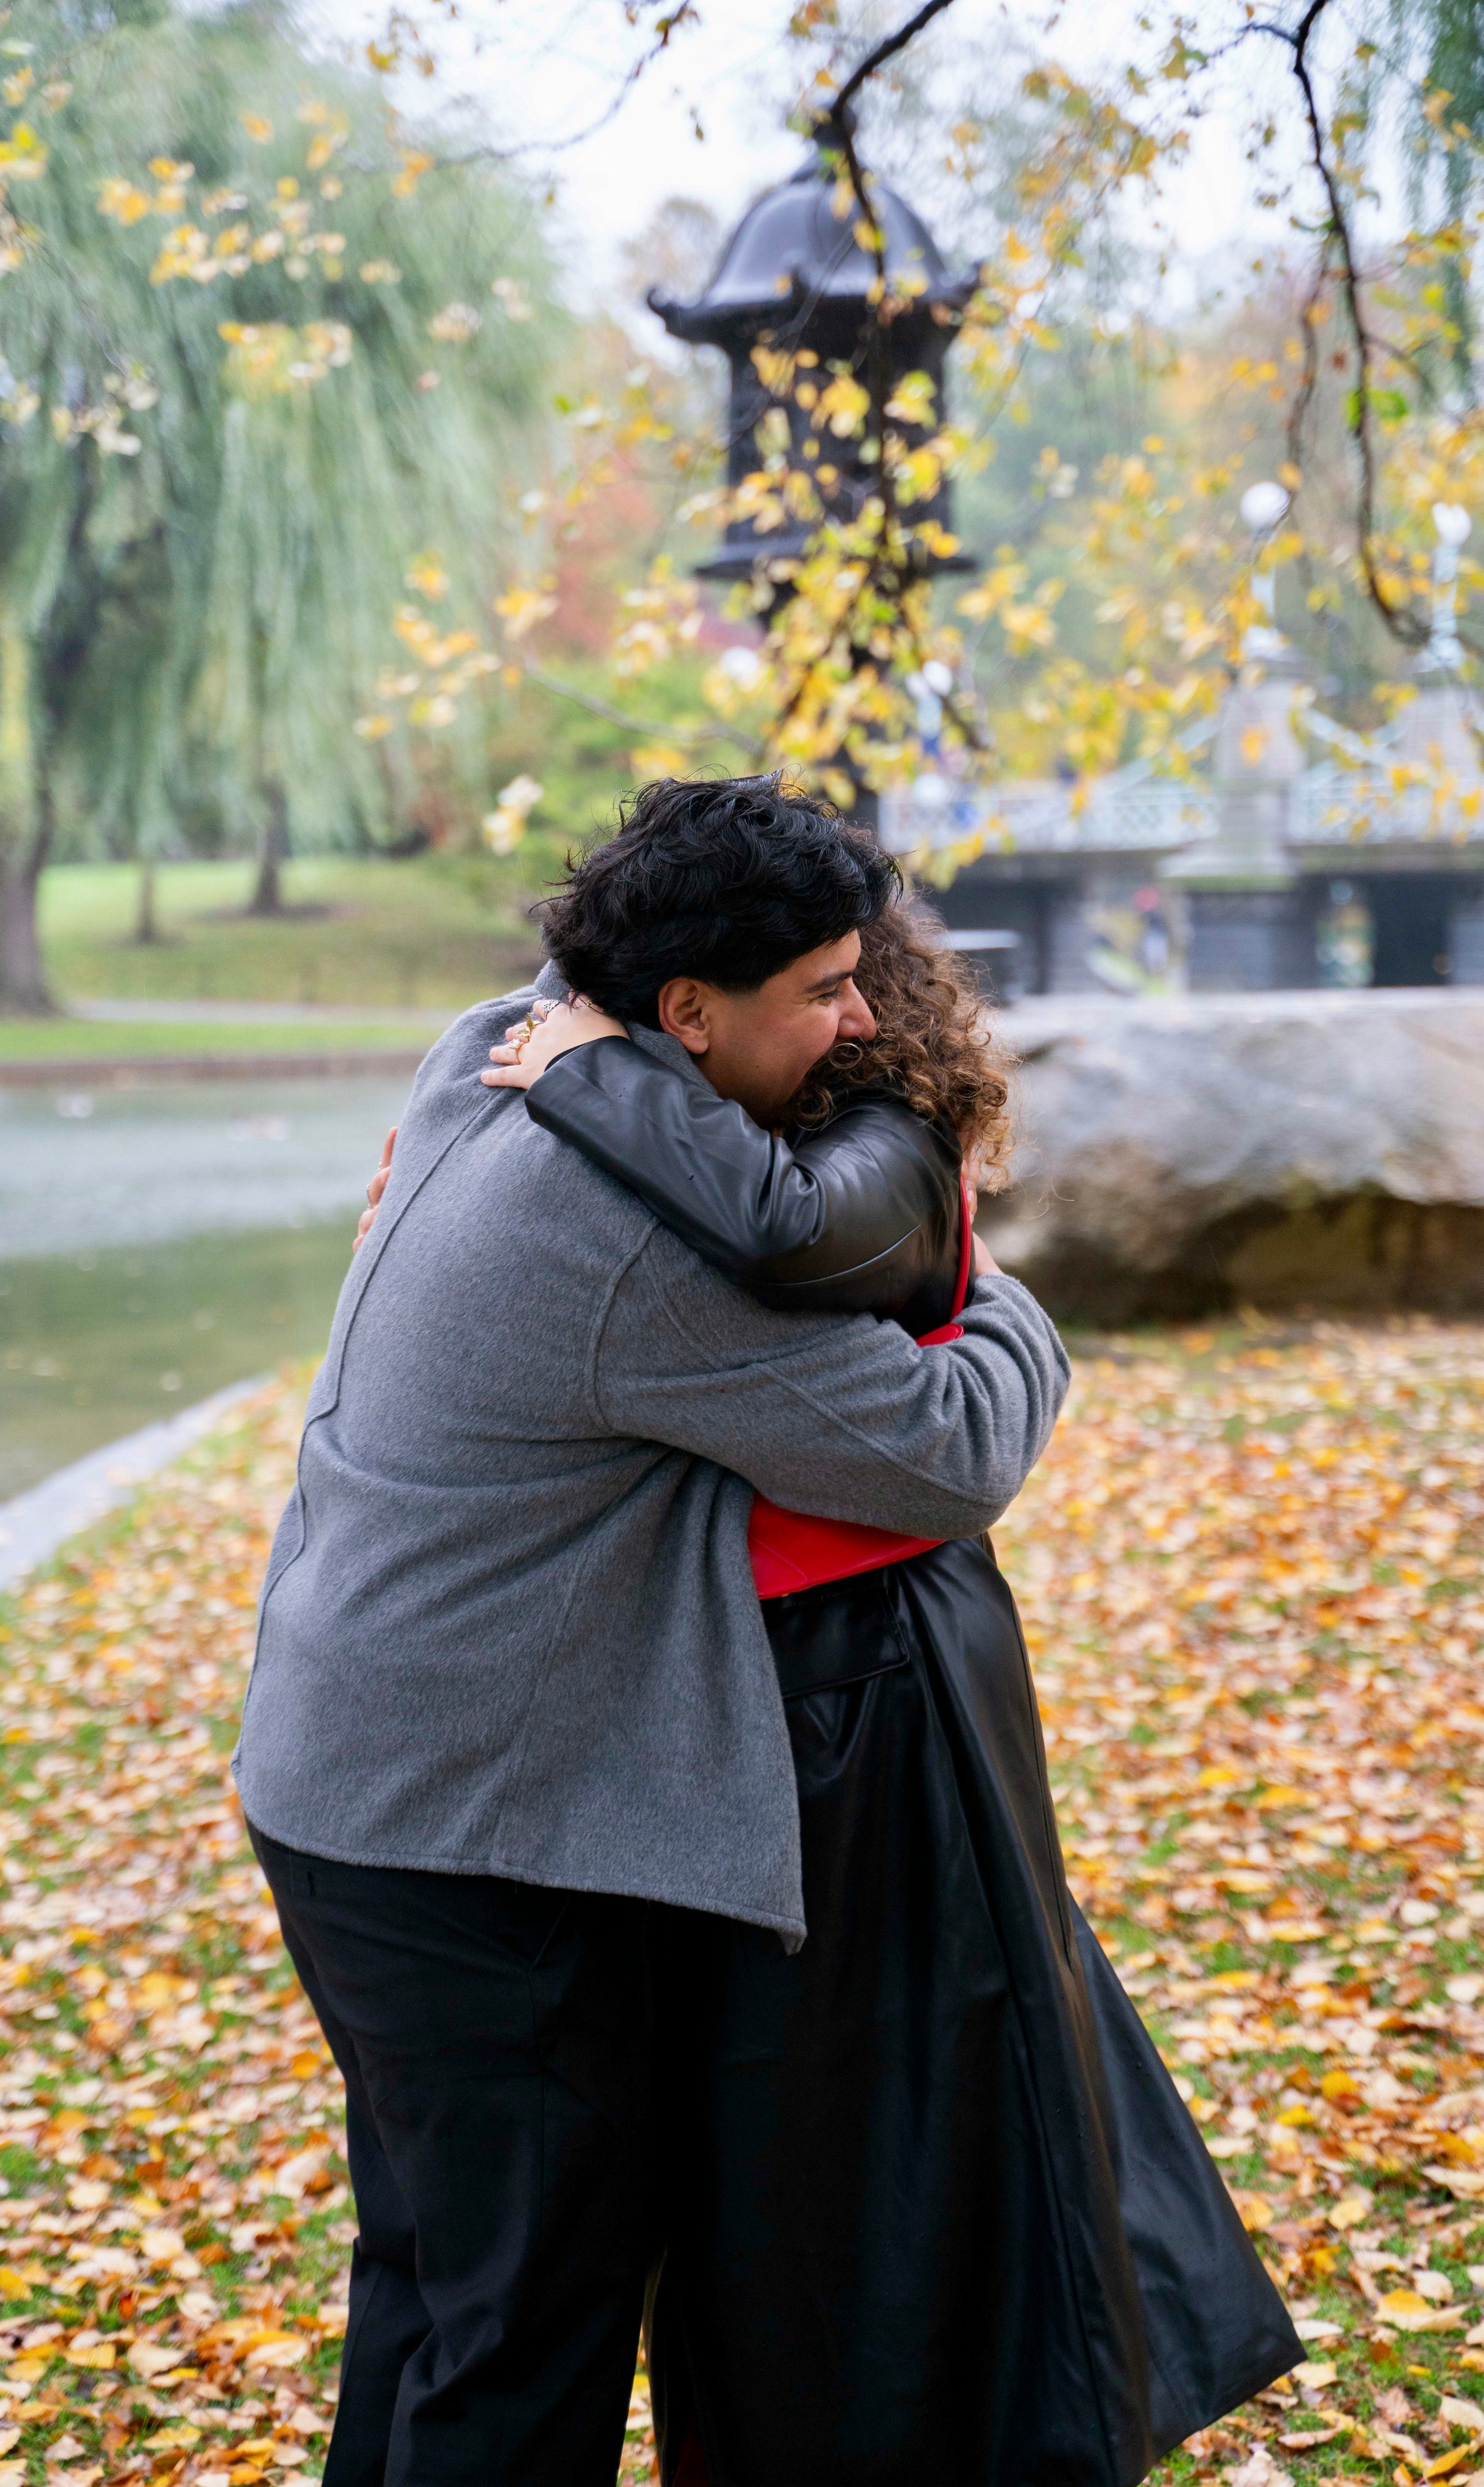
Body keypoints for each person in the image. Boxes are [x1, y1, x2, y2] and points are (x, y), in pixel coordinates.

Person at [235, 776, 1071, 2487]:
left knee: (434, 2287)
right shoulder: (631, 1248)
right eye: (823, 989)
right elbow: (949, 1452)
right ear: (684, 1015)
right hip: (478, 1847)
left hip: (347, 1786)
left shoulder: (493, 1044)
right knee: (527, 2330)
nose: (857, 1023)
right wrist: (1006, 1301)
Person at [476, 890, 1303, 2487]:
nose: (839, 1018)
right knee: (781, 2145)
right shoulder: (669, 1128)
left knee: (915, 2114)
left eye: (842, 992)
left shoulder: (859, 1139)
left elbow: (824, 1274)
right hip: (769, 1685)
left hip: (876, 1677)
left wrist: (595, 1077)